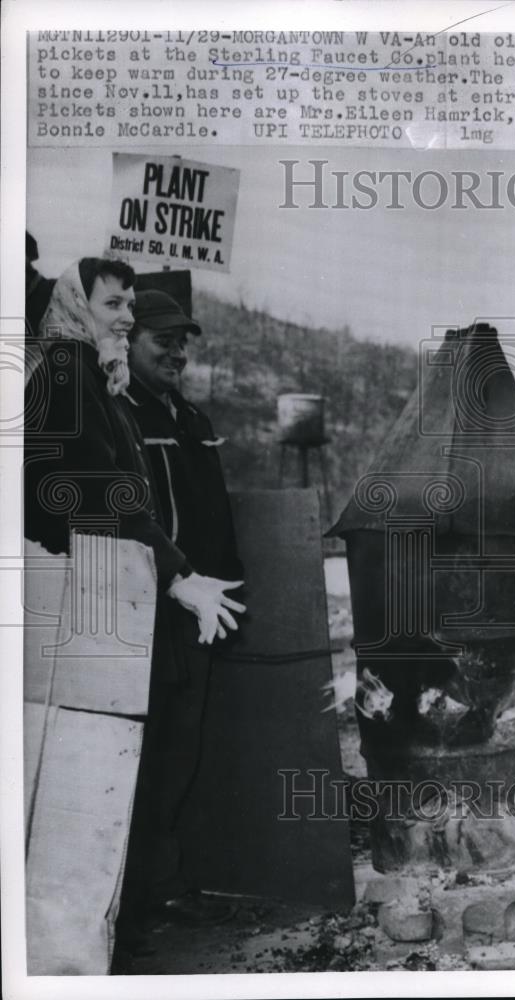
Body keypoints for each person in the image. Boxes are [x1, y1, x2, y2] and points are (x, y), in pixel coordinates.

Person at [24, 258, 246, 956]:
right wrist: (178, 574)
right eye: (113, 303)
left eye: (128, 304)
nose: (124, 316)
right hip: (82, 612)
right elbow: (91, 494)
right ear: (76, 306)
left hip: (110, 602)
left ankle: (96, 940)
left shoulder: (94, 383)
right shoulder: (66, 379)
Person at [114, 289, 243, 937]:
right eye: (161, 339)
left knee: (177, 752)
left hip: (197, 609)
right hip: (141, 609)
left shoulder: (187, 415)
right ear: (127, 341)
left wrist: (228, 590)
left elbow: (211, 514)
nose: (176, 350)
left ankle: (160, 888)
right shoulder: (118, 414)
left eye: (182, 340)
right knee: (136, 752)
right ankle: (128, 898)